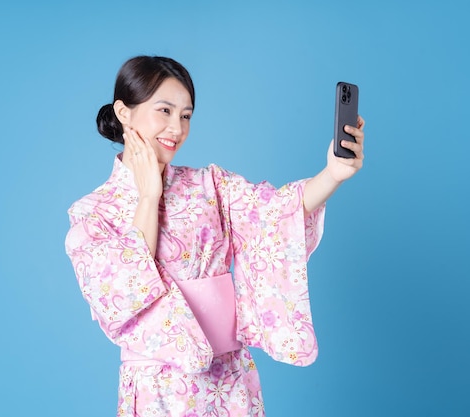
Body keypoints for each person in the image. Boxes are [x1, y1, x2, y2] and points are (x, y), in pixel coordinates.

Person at [65, 55, 365, 417]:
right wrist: (149, 195)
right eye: (164, 110)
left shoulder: (210, 184)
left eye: (186, 115)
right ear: (124, 112)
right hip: (159, 386)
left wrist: (332, 174)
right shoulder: (93, 214)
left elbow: (273, 214)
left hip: (229, 379)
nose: (176, 127)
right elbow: (126, 292)